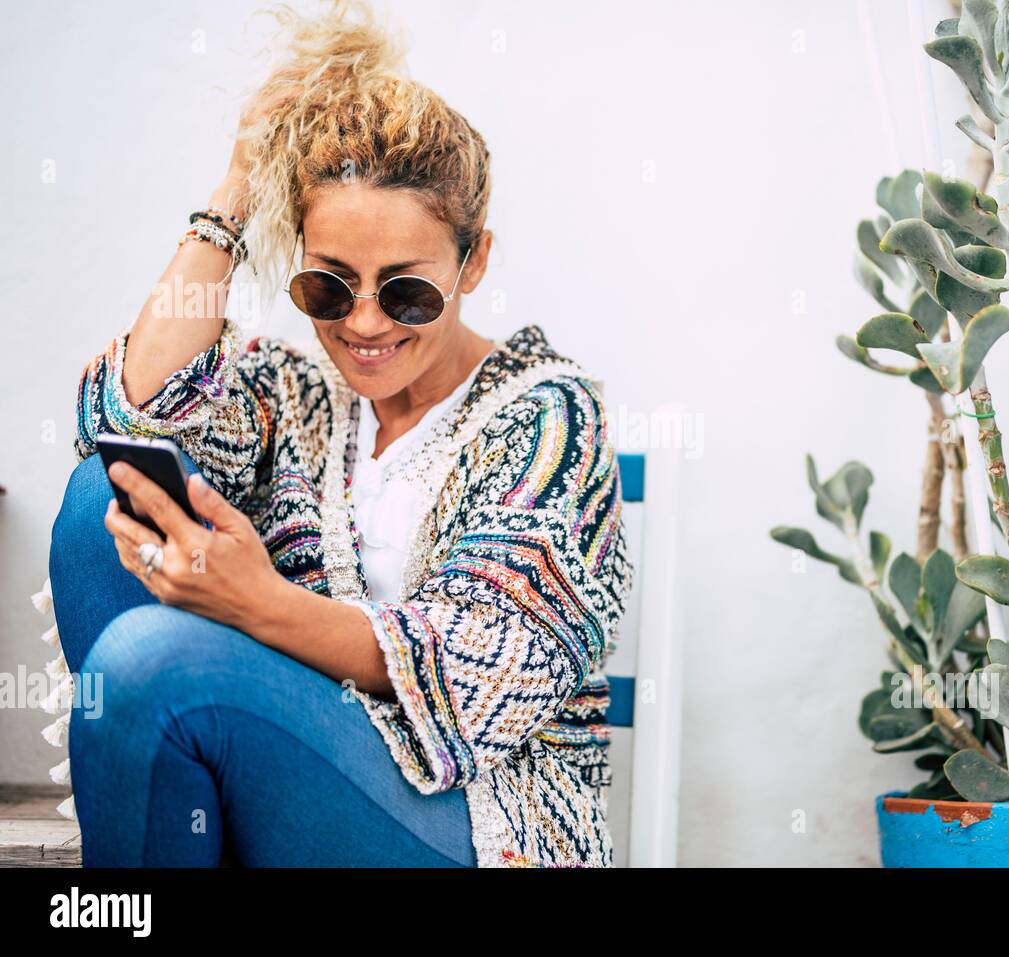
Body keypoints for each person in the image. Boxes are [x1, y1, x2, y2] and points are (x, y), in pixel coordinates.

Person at [49, 0, 632, 868]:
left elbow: (475, 684)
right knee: (105, 497)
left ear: (473, 262)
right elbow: (125, 418)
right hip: (299, 774)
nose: (364, 324)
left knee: (149, 664)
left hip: (484, 819)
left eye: (406, 291)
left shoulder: (550, 422)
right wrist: (238, 188)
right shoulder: (300, 395)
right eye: (329, 286)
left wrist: (260, 603)